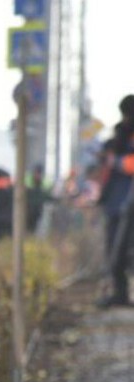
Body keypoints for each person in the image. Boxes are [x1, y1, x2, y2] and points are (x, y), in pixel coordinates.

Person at [97, 95, 134, 308]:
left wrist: (116, 161)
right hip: (116, 203)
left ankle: (123, 292)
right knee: (115, 250)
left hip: (127, 204)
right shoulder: (121, 135)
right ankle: (120, 293)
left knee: (125, 250)